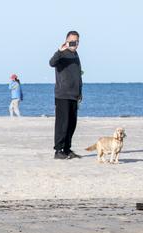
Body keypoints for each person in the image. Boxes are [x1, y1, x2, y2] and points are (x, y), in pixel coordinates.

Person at [49, 30, 83, 160]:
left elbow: (78, 75)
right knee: (62, 124)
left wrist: (80, 91)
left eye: (77, 41)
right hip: (62, 94)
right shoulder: (61, 54)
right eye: (73, 41)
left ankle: (67, 149)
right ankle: (58, 151)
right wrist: (59, 50)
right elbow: (51, 63)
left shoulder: (76, 55)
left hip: (74, 95)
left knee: (71, 124)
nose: (75, 44)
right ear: (67, 40)